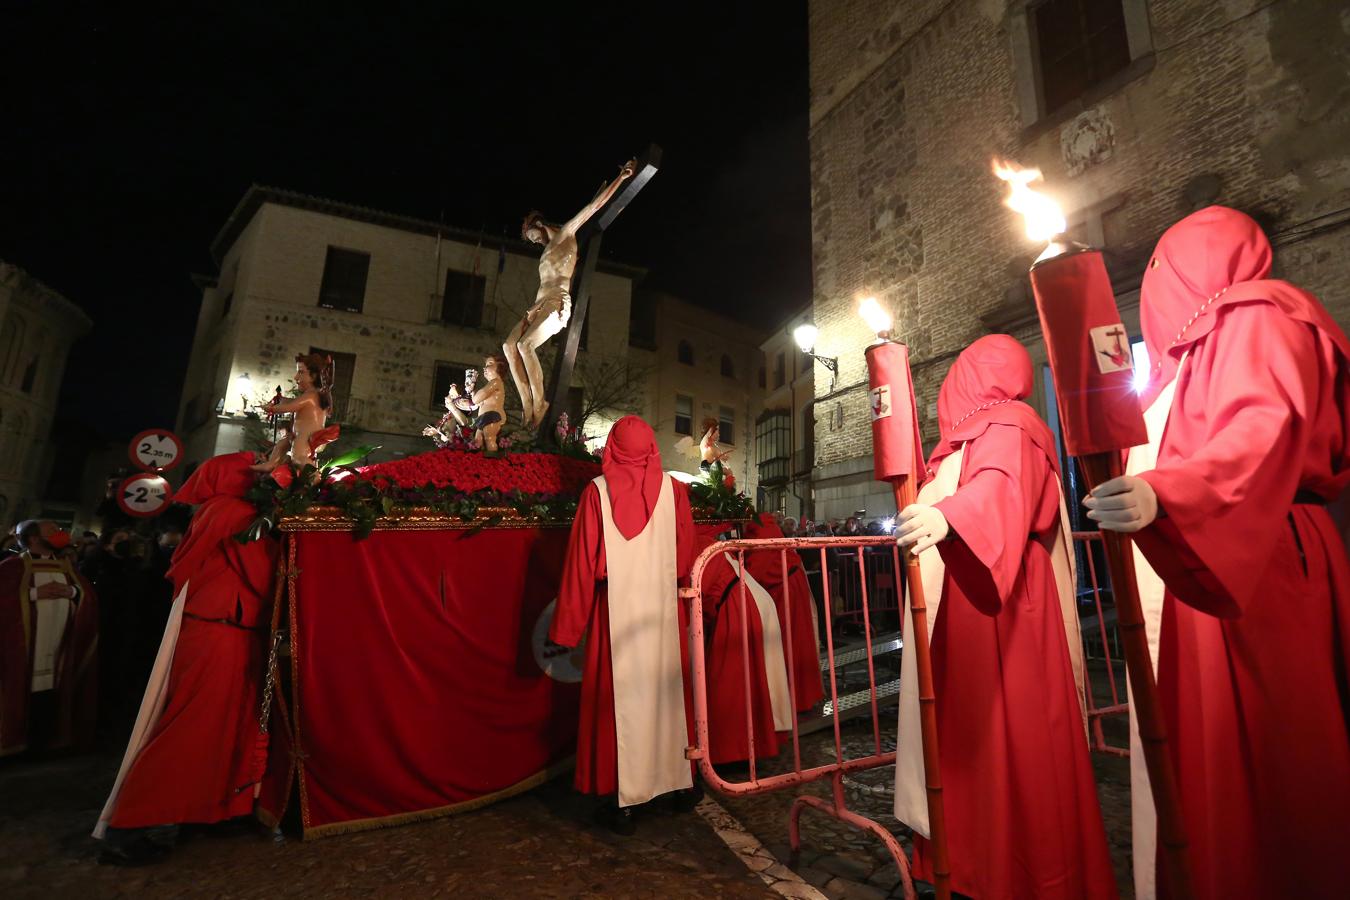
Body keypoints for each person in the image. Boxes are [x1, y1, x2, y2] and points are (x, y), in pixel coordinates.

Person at [1084, 206, 1350, 900]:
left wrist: (1169, 492)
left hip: (1250, 565)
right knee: (1206, 757)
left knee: (1269, 761)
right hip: (1209, 556)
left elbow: (1260, 427)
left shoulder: (1259, 315)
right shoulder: (1191, 355)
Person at [894, 335, 1115, 899]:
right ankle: (967, 860)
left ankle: (1017, 871)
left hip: (1006, 602)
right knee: (973, 739)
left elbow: (1002, 488)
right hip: (972, 599)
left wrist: (950, 515)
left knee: (1010, 737)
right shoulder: (981, 433)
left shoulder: (1010, 424)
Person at [95, 452, 279, 864]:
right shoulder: (231, 510)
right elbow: (260, 566)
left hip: (229, 626)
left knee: (227, 722)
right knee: (192, 722)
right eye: (260, 466)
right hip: (218, 625)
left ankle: (213, 808)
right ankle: (131, 823)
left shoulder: (221, 508)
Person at [550, 415, 699, 834]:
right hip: (663, 615)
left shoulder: (596, 494)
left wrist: (566, 630)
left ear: (611, 449)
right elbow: (685, 559)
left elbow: (581, 565)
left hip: (613, 616)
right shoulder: (676, 492)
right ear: (652, 448)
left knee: (618, 706)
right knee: (667, 698)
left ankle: (622, 801)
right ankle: (677, 787)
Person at [506, 160, 635, 428]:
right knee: (509, 346)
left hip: (556, 302)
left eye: (534, 236)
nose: (535, 242)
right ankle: (529, 404)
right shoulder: (546, 250)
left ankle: (540, 403)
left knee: (525, 345)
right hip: (538, 304)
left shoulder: (565, 234)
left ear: (540, 225)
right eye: (532, 241)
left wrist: (620, 178)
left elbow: (594, 207)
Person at [0, 520, 98, 756]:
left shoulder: (66, 567)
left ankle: (47, 742)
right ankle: (16, 743)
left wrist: (72, 592)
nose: (59, 534)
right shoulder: (11, 567)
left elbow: (88, 596)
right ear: (33, 539)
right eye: (52, 531)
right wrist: (34, 594)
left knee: (52, 695)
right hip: (25, 650)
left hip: (60, 647)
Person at [697, 531, 793, 766]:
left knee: (731, 683)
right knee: (750, 680)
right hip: (744, 599)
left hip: (736, 607)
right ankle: (750, 745)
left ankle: (732, 751)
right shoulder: (708, 540)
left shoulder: (699, 540)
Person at [742, 517, 824, 713]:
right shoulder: (762, 529)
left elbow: (755, 571)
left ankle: (796, 699)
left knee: (791, 643)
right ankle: (796, 696)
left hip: (787, 590)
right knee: (793, 642)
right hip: (784, 588)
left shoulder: (764, 531)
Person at [261, 353, 338, 467]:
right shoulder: (312, 395)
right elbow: (292, 403)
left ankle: (313, 476)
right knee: (283, 444)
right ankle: (271, 464)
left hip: (306, 437)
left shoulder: (311, 395)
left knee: (297, 456)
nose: (296, 377)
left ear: (314, 376)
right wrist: (280, 399)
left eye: (301, 372)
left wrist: (271, 408)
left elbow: (289, 407)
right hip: (299, 435)